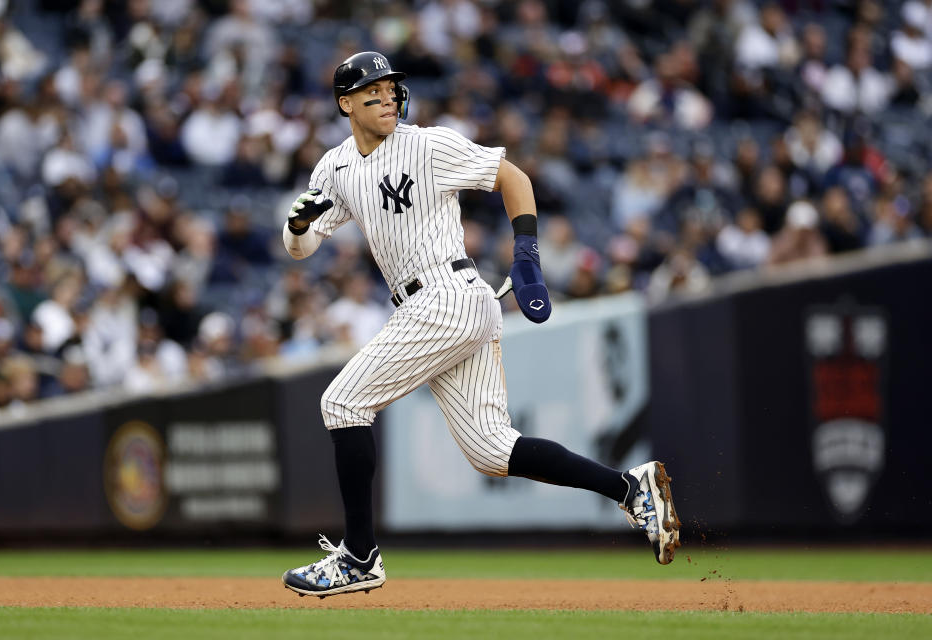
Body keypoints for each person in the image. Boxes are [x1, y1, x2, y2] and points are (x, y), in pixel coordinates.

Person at [279, 52, 681, 598]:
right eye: (371, 92)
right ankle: (628, 488)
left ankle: (358, 556)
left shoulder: (426, 145)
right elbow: (302, 247)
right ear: (345, 103)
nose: (387, 98)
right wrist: (296, 224)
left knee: (343, 403)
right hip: (434, 306)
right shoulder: (336, 167)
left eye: (392, 88)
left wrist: (527, 254)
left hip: (446, 294)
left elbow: (511, 176)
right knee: (491, 450)